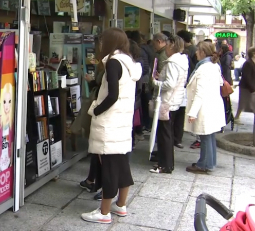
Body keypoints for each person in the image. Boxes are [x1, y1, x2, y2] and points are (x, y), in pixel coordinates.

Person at [81, 28, 141, 224]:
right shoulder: (129, 61)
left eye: (102, 41)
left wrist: (96, 110)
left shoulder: (113, 63)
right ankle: (120, 205)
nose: (99, 44)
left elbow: (112, 95)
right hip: (122, 122)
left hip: (110, 122)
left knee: (109, 167)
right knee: (122, 165)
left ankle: (104, 212)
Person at [184, 42, 226, 173]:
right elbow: (219, 82)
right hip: (212, 105)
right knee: (209, 136)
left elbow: (199, 92)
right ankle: (210, 162)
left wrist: (193, 112)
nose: (196, 53)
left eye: (197, 51)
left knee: (205, 136)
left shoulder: (203, 68)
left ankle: (204, 164)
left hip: (204, 106)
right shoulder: (214, 66)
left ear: (202, 52)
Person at [150, 35, 188, 174]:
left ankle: (164, 165)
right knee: (168, 133)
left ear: (172, 44)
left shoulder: (172, 62)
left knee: (164, 134)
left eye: (168, 44)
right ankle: (167, 163)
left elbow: (169, 84)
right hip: (174, 101)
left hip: (167, 101)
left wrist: (156, 82)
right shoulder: (182, 60)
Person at [79, 60, 105, 201]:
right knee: (98, 151)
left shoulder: (112, 65)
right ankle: (92, 181)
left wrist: (97, 110)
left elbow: (109, 93)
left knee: (102, 152)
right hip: (108, 117)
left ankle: (103, 188)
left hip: (105, 117)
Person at [235, 47, 255, 121]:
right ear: (253, 54)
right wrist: (252, 87)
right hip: (246, 87)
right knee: (243, 103)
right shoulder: (248, 63)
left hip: (251, 86)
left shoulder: (254, 62)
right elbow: (247, 76)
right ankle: (236, 118)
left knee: (253, 104)